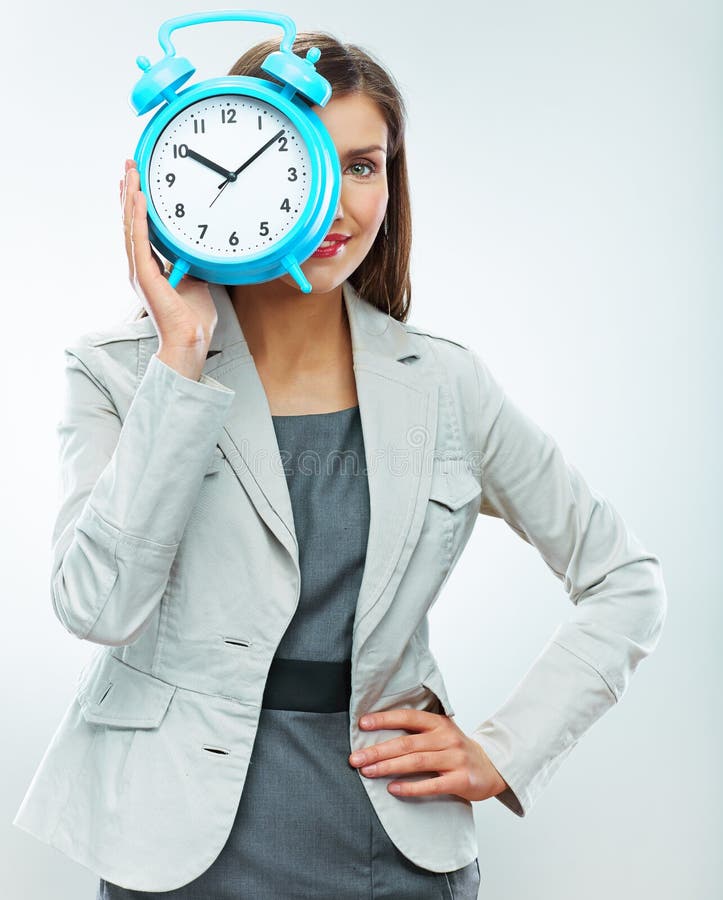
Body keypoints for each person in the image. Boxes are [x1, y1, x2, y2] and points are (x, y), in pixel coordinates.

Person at [12, 32, 667, 900]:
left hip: (387, 836)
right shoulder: (120, 372)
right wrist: (183, 355)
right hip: (175, 838)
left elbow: (623, 579)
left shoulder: (444, 383)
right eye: (302, 157)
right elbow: (97, 607)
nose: (331, 198)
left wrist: (503, 752)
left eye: (363, 165)